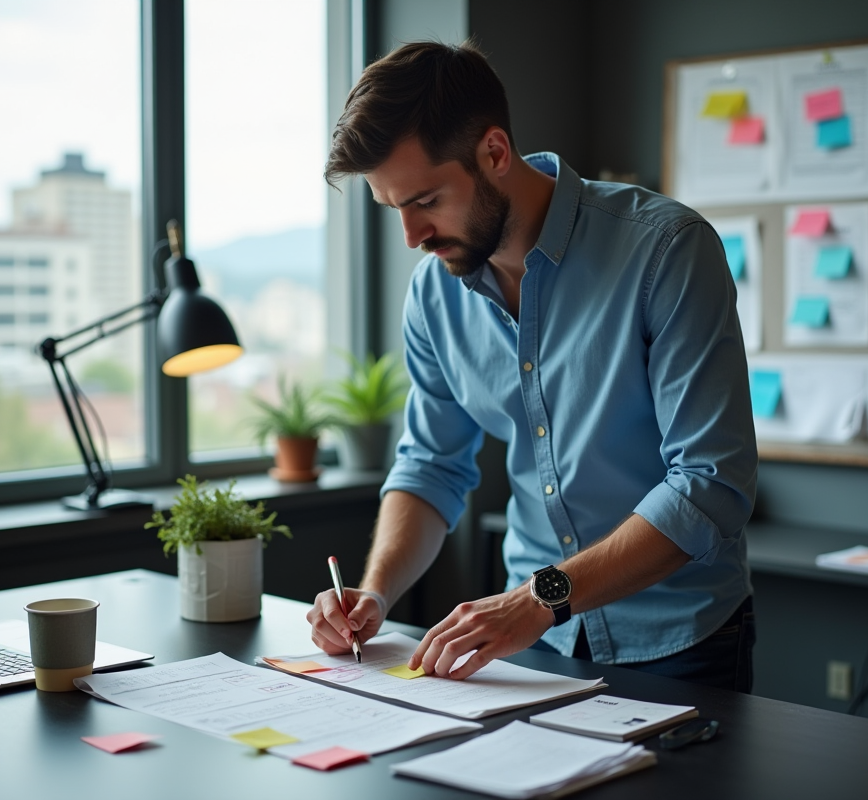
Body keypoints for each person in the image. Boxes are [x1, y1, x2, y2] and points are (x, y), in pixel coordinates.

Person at [307, 39, 758, 691]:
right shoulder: (434, 293)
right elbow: (431, 465)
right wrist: (374, 594)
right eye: (393, 208)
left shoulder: (667, 252)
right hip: (533, 649)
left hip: (679, 642)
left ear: (494, 152)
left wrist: (538, 599)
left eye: (427, 201)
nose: (412, 236)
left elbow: (711, 484)